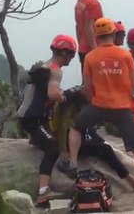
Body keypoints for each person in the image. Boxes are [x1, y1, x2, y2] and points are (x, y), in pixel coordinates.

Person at [58, 18, 134, 202]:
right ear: (113, 34)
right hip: (122, 108)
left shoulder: (91, 57)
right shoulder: (125, 56)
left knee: (76, 127)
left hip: (98, 106)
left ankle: (73, 163)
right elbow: (133, 85)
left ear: (97, 37)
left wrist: (93, 103)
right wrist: (126, 98)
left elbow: (86, 88)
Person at [17, 34, 77, 205]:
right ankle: (43, 192)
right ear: (64, 53)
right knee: (53, 148)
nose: (72, 58)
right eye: (72, 54)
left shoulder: (43, 66)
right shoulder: (56, 69)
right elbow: (52, 94)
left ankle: (35, 139)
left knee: (46, 135)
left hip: (26, 115)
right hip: (32, 118)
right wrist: (64, 97)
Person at [74, 0, 114, 73]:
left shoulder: (81, 0)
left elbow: (79, 26)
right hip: (90, 49)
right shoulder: (93, 4)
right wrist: (95, 51)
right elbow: (89, 28)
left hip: (82, 48)